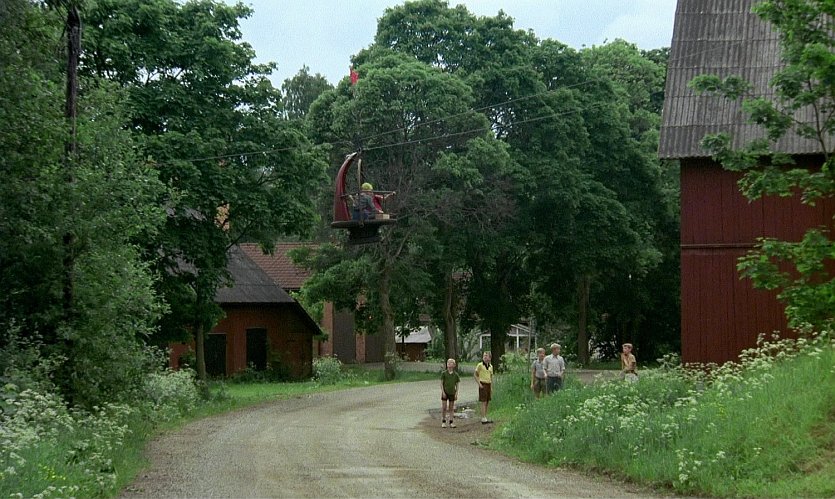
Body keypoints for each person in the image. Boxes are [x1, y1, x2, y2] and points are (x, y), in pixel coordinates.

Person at [474, 351, 493, 424]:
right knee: (483, 401)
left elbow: (491, 376)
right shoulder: (480, 365)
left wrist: (491, 387)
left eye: (486, 356)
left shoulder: (491, 366)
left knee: (487, 400)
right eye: (484, 356)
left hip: (488, 384)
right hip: (483, 383)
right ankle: (483, 417)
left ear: (490, 358)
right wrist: (479, 383)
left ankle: (485, 416)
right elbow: (475, 374)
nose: (485, 357)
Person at [440, 358, 460, 428]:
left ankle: (451, 421)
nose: (449, 363)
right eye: (448, 362)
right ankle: (443, 421)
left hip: (452, 392)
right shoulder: (444, 373)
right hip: (445, 392)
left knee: (451, 408)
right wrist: (443, 392)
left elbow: (457, 384)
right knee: (444, 407)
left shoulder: (456, 375)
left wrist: (456, 393)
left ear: (454, 365)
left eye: (451, 362)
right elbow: (441, 383)